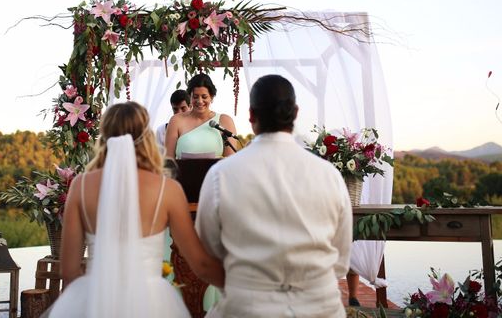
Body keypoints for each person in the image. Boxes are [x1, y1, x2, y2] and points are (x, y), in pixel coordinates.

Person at [45, 102, 224, 318]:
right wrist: (242, 289)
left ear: (104, 137)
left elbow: (69, 271)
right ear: (146, 136)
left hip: (95, 300)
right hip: (152, 304)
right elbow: (201, 263)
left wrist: (89, 303)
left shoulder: (80, 186)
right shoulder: (167, 189)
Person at [196, 74, 353, 318]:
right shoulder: (329, 175)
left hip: (246, 308)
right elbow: (340, 259)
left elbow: (210, 252)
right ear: (296, 112)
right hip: (320, 307)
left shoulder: (221, 175)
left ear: (251, 116)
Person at [165, 73, 238, 159]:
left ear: (211, 97)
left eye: (204, 97)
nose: (200, 101)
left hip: (216, 172)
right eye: (195, 97)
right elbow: (168, 161)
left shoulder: (225, 121)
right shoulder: (176, 121)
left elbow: (231, 160)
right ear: (190, 97)